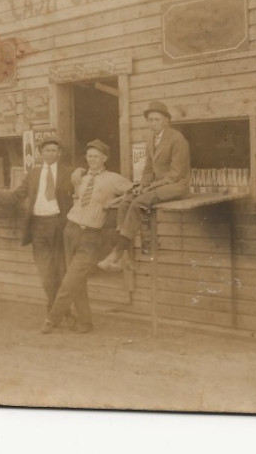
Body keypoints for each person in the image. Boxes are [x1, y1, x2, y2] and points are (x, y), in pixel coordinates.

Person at [40, 139, 134, 334]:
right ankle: (85, 322)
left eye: (96, 156)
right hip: (70, 230)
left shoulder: (113, 178)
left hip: (91, 236)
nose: (92, 159)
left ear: (104, 158)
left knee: (70, 279)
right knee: (77, 280)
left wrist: (115, 201)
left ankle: (52, 319)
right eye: (89, 156)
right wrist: (76, 173)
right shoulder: (80, 177)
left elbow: (134, 191)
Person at [98, 101, 190, 271]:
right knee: (126, 202)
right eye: (150, 120)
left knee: (138, 203)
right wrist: (142, 185)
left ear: (166, 120)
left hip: (176, 186)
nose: (153, 123)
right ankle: (125, 256)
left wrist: (150, 187)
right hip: (157, 185)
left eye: (157, 119)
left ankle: (117, 253)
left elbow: (175, 174)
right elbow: (148, 168)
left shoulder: (177, 139)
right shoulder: (150, 139)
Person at [0, 138, 74, 311]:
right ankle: (57, 308)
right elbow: (16, 196)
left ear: (59, 154)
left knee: (61, 270)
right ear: (41, 153)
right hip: (38, 226)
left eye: (54, 150)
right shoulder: (33, 174)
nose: (51, 153)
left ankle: (57, 311)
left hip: (59, 225)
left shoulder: (69, 173)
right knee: (45, 272)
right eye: (47, 150)